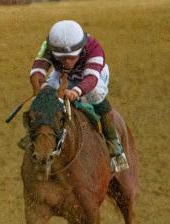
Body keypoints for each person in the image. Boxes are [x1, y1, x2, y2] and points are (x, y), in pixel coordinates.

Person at [29, 20, 129, 172]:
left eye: (71, 57)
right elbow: (36, 71)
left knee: (96, 94)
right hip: (62, 75)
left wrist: (76, 91)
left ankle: (113, 143)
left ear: (81, 49)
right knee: (44, 99)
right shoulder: (48, 46)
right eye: (62, 58)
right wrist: (42, 89)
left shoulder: (94, 48)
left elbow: (91, 79)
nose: (67, 61)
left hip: (91, 75)